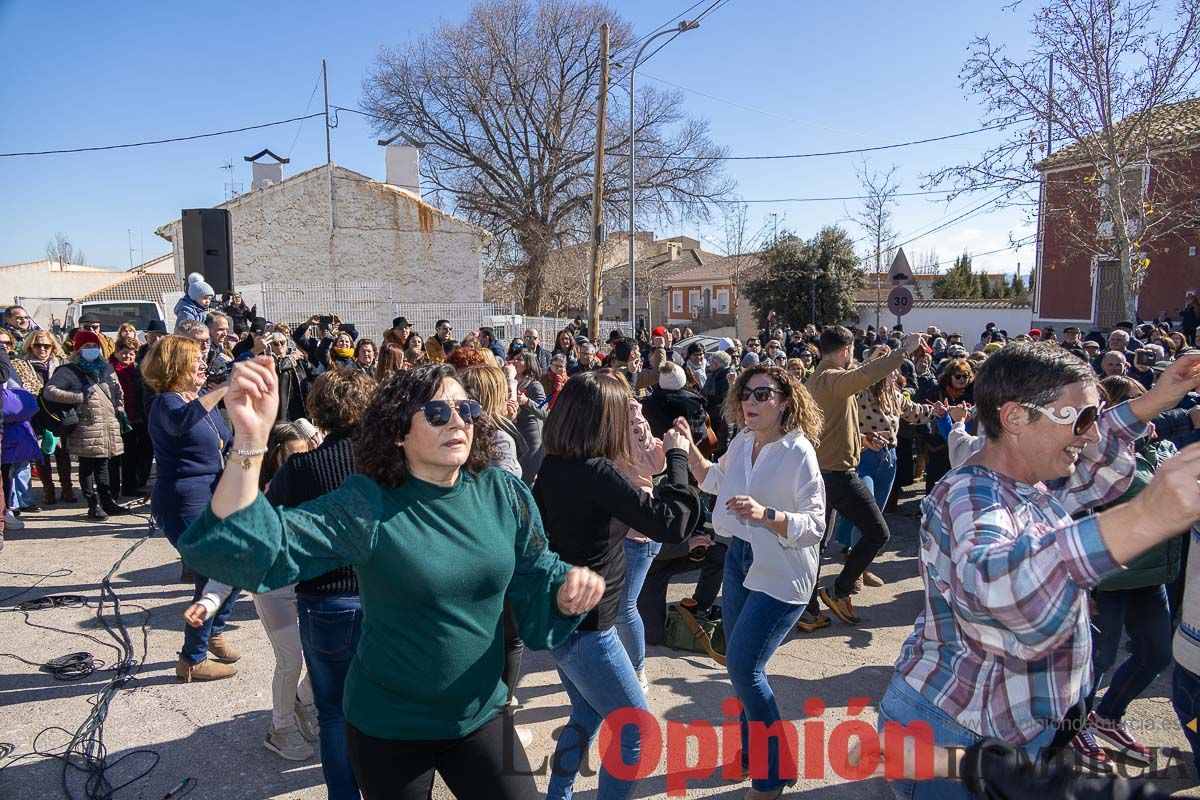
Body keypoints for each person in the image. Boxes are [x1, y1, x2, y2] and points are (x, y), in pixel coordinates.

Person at [177, 362, 605, 799]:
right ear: (399, 432)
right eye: (438, 412)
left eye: (467, 409)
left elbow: (538, 568)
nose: (457, 420)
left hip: (478, 713)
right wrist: (249, 442)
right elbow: (232, 548)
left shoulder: (502, 492)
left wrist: (564, 589)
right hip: (390, 724)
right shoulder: (368, 505)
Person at [881, 344, 1200, 800]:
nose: (1088, 435)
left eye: (1094, 416)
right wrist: (1144, 518)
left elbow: (1095, 456)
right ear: (1014, 419)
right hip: (955, 737)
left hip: (1005, 729)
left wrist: (1155, 400)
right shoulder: (970, 497)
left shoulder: (1028, 477)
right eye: (1080, 419)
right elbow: (1005, 592)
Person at [533, 370, 701, 800]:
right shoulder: (597, 472)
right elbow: (671, 522)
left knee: (586, 716)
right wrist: (677, 457)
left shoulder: (556, 465)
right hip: (590, 630)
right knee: (634, 731)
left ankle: (558, 794)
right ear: (600, 418)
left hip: (564, 624)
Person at [676, 364, 826, 798]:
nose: (751, 401)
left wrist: (766, 515)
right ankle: (750, 753)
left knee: (745, 668)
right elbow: (715, 481)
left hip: (783, 571)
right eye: (746, 393)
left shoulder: (798, 451)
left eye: (763, 393)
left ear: (785, 400)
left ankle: (772, 772)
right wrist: (688, 450)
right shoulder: (742, 442)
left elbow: (815, 525)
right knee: (739, 667)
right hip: (740, 560)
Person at [262, 369, 375, 799]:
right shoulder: (388, 464)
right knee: (381, 706)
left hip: (325, 605)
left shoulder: (300, 468)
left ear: (317, 411)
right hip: (381, 598)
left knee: (332, 714)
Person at [183, 421, 319, 761]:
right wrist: (210, 601)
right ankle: (280, 729)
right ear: (274, 457)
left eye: (303, 458)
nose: (297, 466)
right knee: (291, 660)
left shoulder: (317, 489)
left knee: (326, 655)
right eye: (291, 457)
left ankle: (304, 700)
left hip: (312, 590)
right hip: (273, 592)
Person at [1069, 375, 1181, 770]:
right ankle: (1074, 726)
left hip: (1152, 576)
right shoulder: (1094, 462)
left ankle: (1109, 715)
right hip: (1109, 580)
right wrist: (1087, 588)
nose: (1150, 415)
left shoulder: (1157, 448)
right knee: (1095, 663)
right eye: (1137, 406)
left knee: (1155, 654)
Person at [800, 326, 925, 630]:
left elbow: (831, 426)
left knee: (817, 545)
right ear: (846, 351)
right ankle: (837, 592)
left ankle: (811, 608)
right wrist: (902, 351)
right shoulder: (830, 378)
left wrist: (862, 438)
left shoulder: (822, 378)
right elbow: (865, 378)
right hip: (836, 476)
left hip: (826, 472)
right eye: (853, 352)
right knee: (877, 533)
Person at [142, 335, 237, 680]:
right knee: (212, 572)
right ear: (174, 366)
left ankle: (212, 630)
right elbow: (181, 422)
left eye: (202, 358)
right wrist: (225, 387)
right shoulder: (166, 402)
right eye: (195, 359)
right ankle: (192, 659)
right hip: (183, 502)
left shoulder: (196, 399)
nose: (202, 364)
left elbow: (224, 444)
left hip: (215, 498)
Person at [832, 345, 945, 588]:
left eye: (892, 368)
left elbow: (914, 413)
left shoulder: (894, 395)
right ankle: (855, 569)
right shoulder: (859, 391)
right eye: (883, 366)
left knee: (876, 517)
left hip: (888, 460)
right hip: (862, 457)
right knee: (866, 514)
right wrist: (874, 358)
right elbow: (858, 373)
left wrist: (937, 411)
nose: (890, 371)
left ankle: (862, 565)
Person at [42, 330, 130, 522]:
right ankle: (93, 504)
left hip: (107, 422)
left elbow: (117, 391)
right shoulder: (69, 370)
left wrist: (120, 409)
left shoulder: (106, 368)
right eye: (87, 346)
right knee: (87, 466)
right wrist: (78, 397)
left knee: (104, 464)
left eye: (94, 346)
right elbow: (50, 391)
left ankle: (108, 502)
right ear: (78, 349)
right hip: (86, 423)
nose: (92, 349)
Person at [12, 331, 74, 504]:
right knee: (42, 453)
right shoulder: (21, 365)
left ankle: (67, 488)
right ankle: (49, 490)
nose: (42, 349)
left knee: (62, 452)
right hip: (36, 414)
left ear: (53, 346)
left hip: (57, 413)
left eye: (46, 346)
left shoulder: (61, 364)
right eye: (37, 345)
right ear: (30, 346)